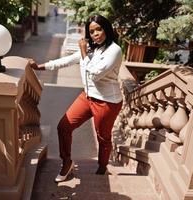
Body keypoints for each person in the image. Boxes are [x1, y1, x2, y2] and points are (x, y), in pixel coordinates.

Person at [29, 14, 123, 182]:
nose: (95, 34)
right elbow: (66, 61)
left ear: (106, 29)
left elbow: (95, 75)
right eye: (91, 31)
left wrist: (82, 52)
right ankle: (67, 162)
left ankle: (102, 167)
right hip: (87, 97)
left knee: (103, 137)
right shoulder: (91, 48)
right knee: (63, 127)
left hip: (107, 101)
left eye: (99, 29)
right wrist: (40, 67)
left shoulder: (114, 50)